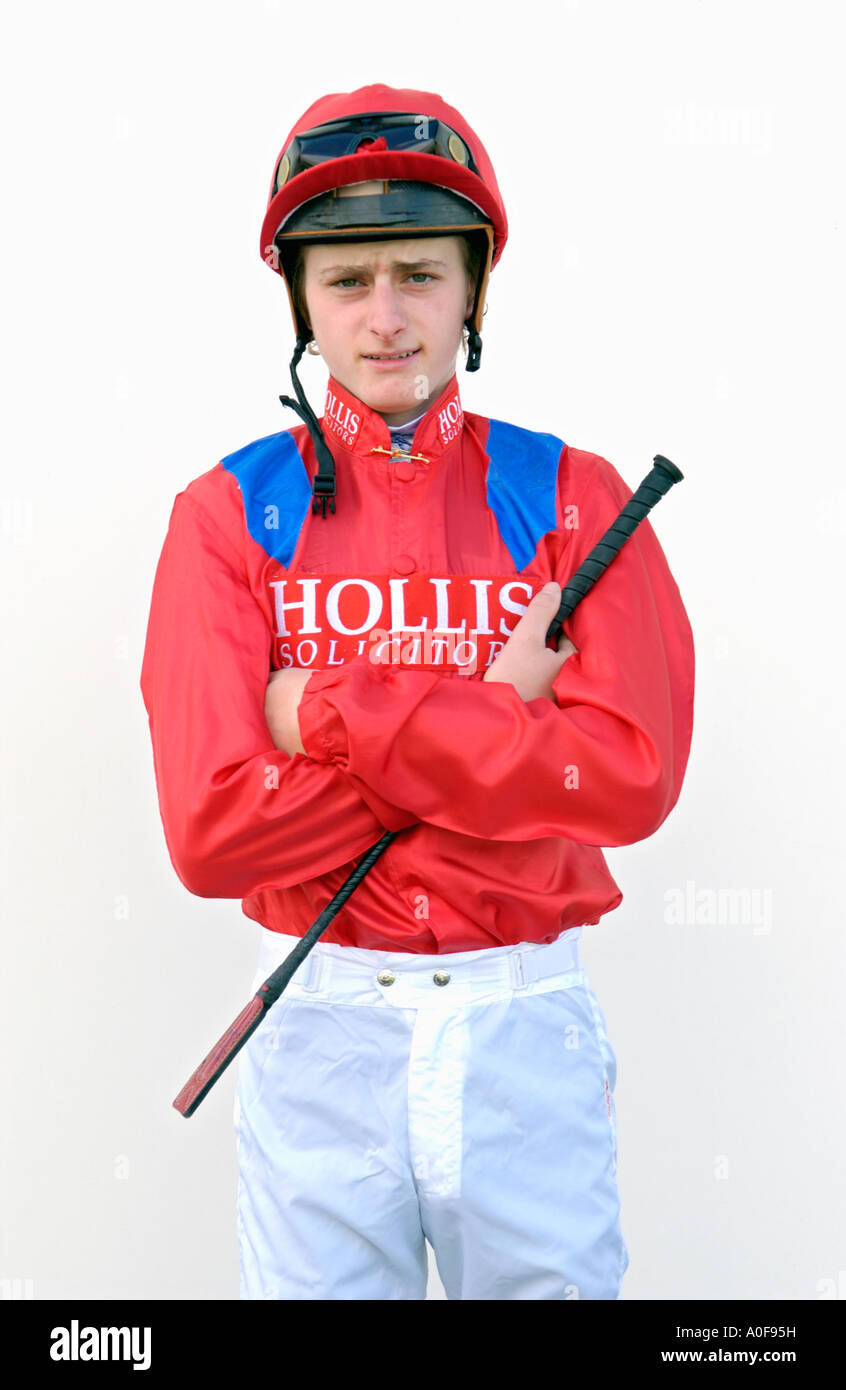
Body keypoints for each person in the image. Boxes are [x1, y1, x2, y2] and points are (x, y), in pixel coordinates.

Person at [139, 84, 695, 1301]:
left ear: (474, 290)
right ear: (300, 296)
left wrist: (328, 715)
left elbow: (631, 779)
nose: (385, 318)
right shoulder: (222, 518)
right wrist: (505, 726)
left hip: (524, 1027)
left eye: (420, 274)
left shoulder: (579, 499)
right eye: (346, 280)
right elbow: (213, 832)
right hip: (321, 1025)